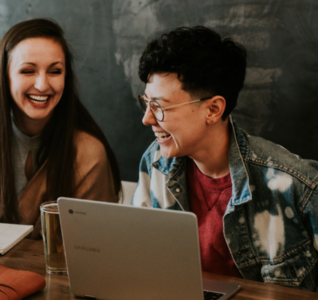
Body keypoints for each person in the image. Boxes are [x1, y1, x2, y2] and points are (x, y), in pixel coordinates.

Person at [130, 26, 318, 290]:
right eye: (146, 103)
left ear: (213, 109)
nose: (147, 118)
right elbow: (135, 259)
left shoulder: (296, 184)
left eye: (159, 107)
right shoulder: (155, 163)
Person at [0, 19, 121, 236]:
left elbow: (98, 246)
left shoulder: (88, 153)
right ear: (5, 77)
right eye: (28, 71)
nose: (42, 85)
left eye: (55, 71)